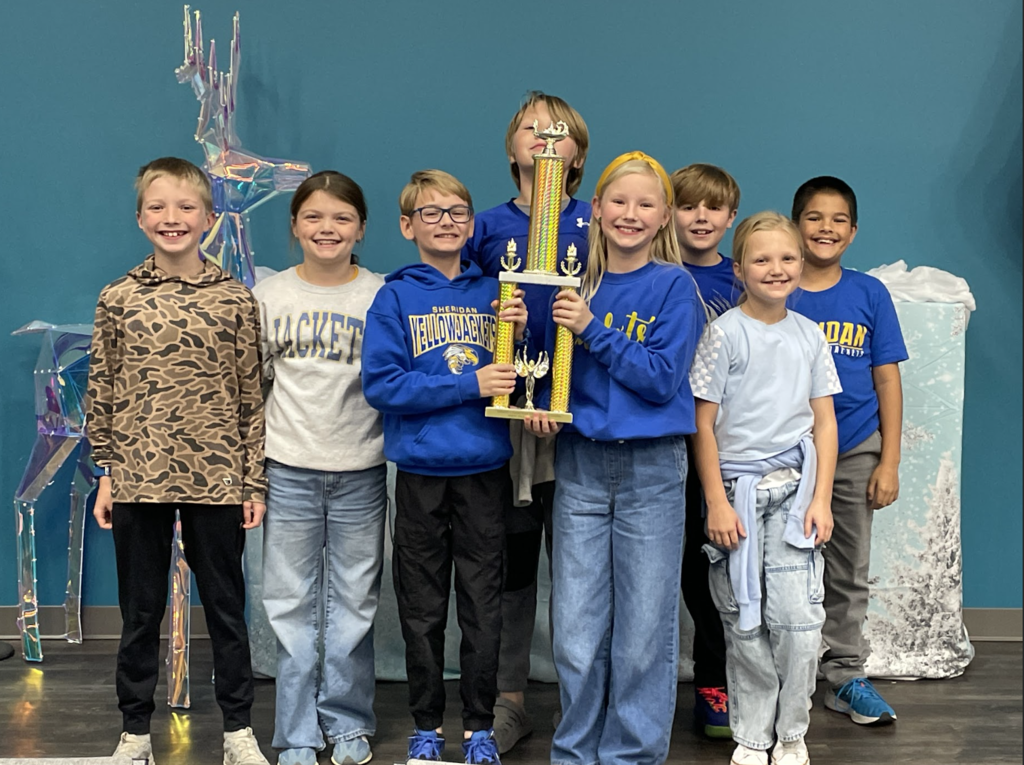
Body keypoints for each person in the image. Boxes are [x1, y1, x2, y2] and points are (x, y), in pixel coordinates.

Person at [85, 156, 270, 765]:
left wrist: (253, 480)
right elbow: (104, 388)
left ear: (209, 219)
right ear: (140, 219)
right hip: (138, 477)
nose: (173, 218)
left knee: (225, 608)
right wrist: (106, 472)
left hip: (218, 480)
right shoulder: (117, 298)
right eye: (158, 207)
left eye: (187, 207)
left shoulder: (235, 299)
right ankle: (134, 732)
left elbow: (251, 393)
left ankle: (238, 731)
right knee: (141, 611)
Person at [526, 152, 706, 765]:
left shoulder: (674, 287)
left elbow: (660, 380)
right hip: (578, 463)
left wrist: (592, 328)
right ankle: (574, 753)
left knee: (642, 634)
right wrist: (538, 397)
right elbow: (553, 376)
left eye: (646, 204)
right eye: (619, 202)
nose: (631, 214)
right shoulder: (572, 284)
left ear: (663, 220)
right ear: (596, 210)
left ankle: (631, 755)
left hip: (653, 469)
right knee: (575, 631)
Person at [361, 170, 528, 765]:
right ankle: (426, 724)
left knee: (483, 605)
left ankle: (480, 725)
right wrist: (468, 383)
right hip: (422, 473)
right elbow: (383, 385)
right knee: (423, 605)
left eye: (458, 211)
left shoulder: (498, 295)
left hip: (485, 470)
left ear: (473, 223)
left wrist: (524, 339)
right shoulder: (394, 297)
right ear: (408, 226)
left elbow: (525, 375)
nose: (447, 221)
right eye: (430, 213)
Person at [463, 91, 591, 754]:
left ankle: (586, 700)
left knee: (581, 569)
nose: (545, 138)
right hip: (506, 429)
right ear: (512, 144)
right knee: (509, 563)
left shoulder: (603, 223)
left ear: (577, 152)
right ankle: (508, 698)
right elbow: (456, 315)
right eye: (532, 128)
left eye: (559, 131)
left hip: (584, 424)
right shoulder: (482, 228)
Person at [690, 211, 840, 765]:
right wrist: (717, 501)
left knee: (798, 623)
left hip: (795, 491)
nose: (776, 269)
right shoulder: (724, 333)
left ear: (801, 264)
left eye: (787, 258)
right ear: (739, 268)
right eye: (762, 259)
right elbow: (703, 423)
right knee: (744, 620)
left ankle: (792, 732)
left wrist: (821, 496)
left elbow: (823, 421)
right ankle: (753, 737)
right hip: (739, 492)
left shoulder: (810, 335)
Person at [255, 171, 387, 765]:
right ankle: (298, 732)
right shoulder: (270, 296)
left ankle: (349, 721)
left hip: (362, 468)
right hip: (287, 469)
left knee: (354, 604)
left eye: (340, 218)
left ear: (361, 228)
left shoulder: (383, 295)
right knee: (290, 605)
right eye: (313, 217)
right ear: (294, 226)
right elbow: (252, 387)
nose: (326, 228)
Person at [788, 176, 907, 725]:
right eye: (814, 217)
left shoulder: (868, 294)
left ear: (853, 232)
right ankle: (778, 674)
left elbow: (886, 381)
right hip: (784, 451)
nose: (826, 228)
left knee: (846, 568)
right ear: (795, 225)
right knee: (779, 564)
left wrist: (889, 460)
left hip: (856, 446)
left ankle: (844, 675)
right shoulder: (776, 287)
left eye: (838, 220)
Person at [670, 162, 742, 738]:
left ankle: (714, 680)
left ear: (730, 218)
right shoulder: (657, 272)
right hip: (663, 436)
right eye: (688, 205)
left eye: (712, 208)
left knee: (711, 568)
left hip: (720, 445)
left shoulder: (742, 282)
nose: (700, 216)